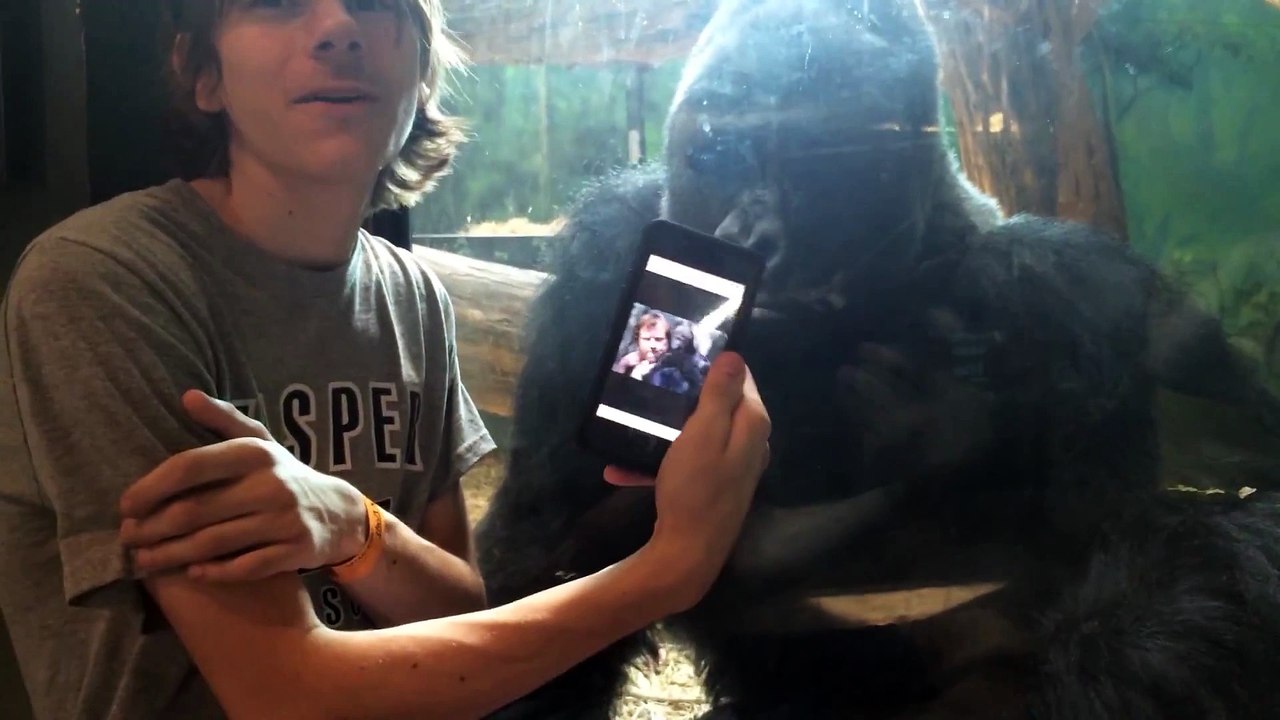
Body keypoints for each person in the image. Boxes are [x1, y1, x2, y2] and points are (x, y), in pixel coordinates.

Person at [0, 1, 772, 719]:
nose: (338, 27)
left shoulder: (412, 297)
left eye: (374, 1)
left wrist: (353, 523)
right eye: (277, 1)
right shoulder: (105, 281)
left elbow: (457, 612)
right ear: (205, 76)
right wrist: (668, 569)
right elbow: (284, 693)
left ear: (425, 71)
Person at [613, 310, 671, 380]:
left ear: (667, 341)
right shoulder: (628, 362)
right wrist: (622, 366)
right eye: (646, 339)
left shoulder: (671, 368)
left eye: (658, 339)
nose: (652, 345)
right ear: (638, 341)